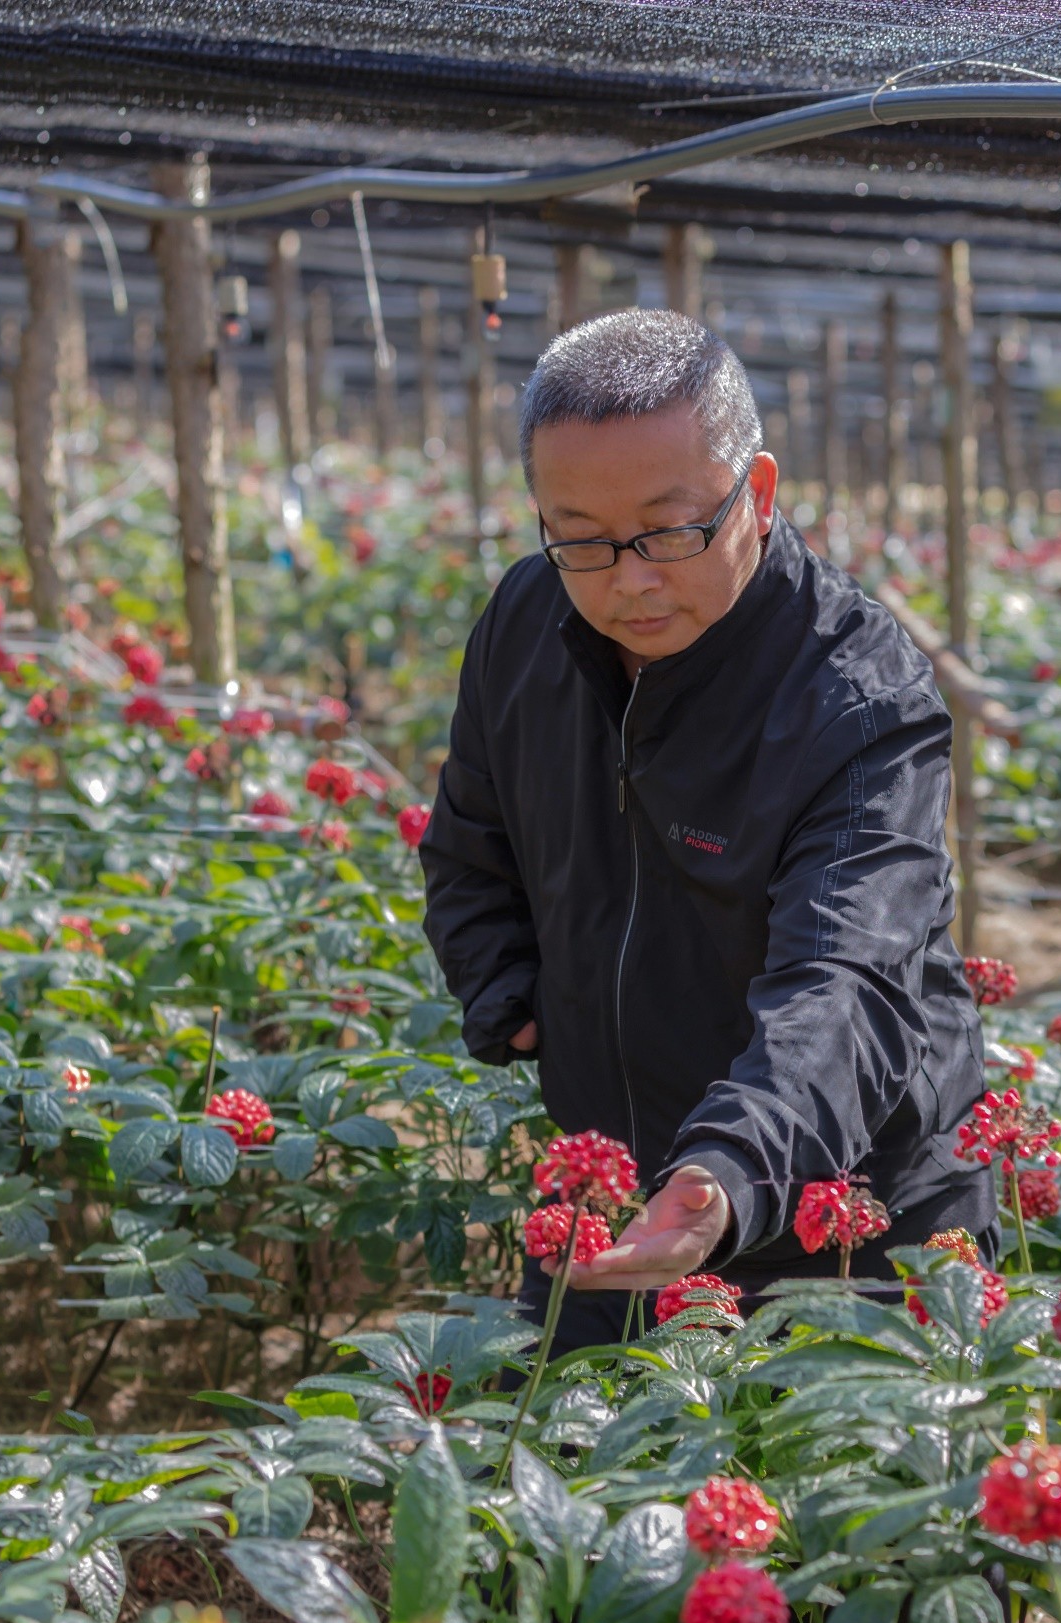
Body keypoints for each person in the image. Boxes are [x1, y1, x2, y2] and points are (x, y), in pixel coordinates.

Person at [419, 308, 999, 1352]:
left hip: (855, 1226)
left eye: (671, 530)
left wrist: (727, 1169)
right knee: (561, 1499)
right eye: (581, 539)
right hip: (628, 1210)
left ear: (758, 495)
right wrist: (510, 996)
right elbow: (470, 845)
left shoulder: (858, 700)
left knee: (843, 1509)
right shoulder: (523, 629)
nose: (629, 578)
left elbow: (848, 982)